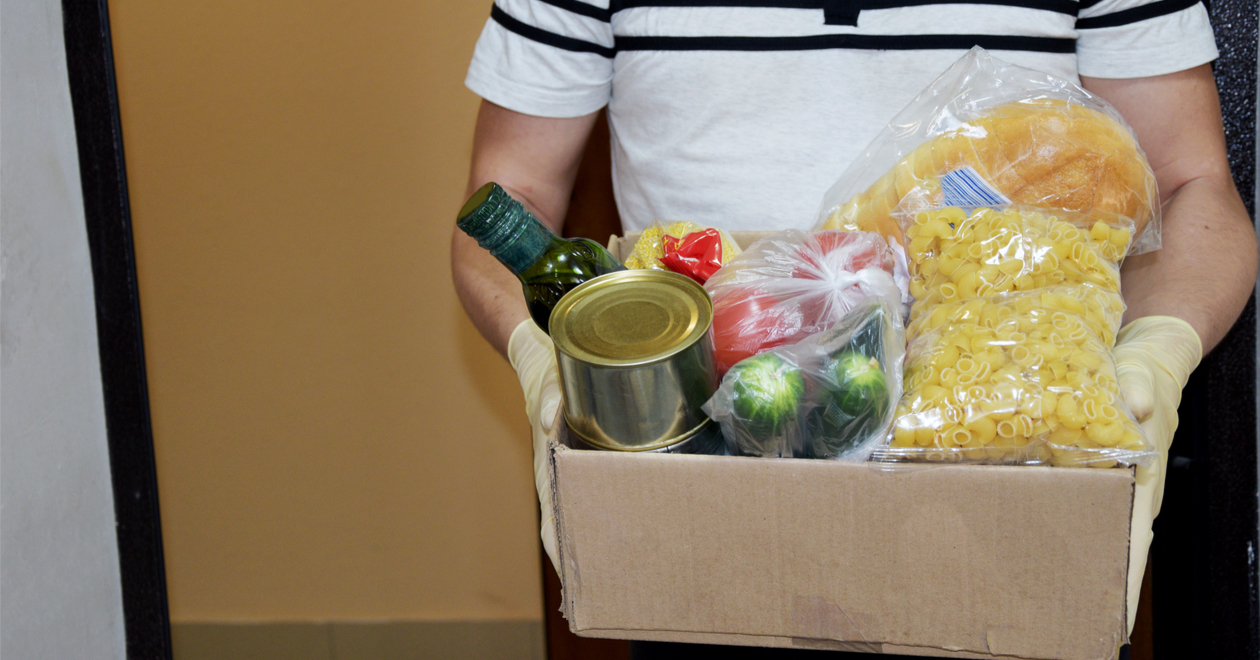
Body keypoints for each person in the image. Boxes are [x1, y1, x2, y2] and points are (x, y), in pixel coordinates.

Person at [450, 0, 1258, 656]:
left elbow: (1191, 182)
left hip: (1006, 465)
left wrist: (1158, 352)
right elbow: (508, 189)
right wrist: (538, 353)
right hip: (709, 476)